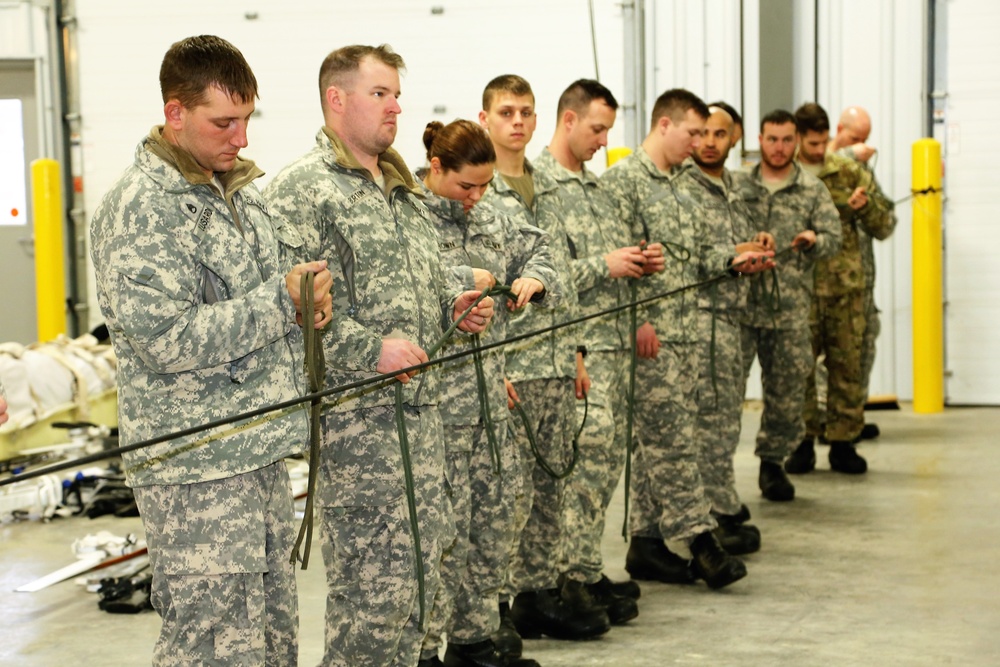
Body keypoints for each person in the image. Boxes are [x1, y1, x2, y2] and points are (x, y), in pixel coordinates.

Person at [89, 35, 333, 666]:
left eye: (247, 120)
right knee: (212, 643)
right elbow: (167, 339)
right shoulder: (141, 210)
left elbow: (276, 284)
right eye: (223, 122)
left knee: (272, 634)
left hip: (254, 450)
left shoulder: (239, 194)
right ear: (175, 113)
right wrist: (282, 303)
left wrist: (308, 303)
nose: (241, 138)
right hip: (193, 465)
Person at [263, 45, 495, 667]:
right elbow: (293, 319)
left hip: (424, 424)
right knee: (373, 607)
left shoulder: (399, 187)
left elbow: (424, 279)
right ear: (337, 99)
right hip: (361, 435)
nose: (396, 106)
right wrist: (371, 350)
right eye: (380, 94)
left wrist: (455, 305)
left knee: (421, 596)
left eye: (396, 93)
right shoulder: (301, 192)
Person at [602, 89, 765, 591]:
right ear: (665, 124)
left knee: (665, 439)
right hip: (650, 335)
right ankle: (701, 540)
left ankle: (647, 543)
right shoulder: (623, 183)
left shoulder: (683, 185)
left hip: (689, 332)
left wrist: (733, 258)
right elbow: (615, 258)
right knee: (672, 441)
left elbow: (697, 254)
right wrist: (637, 319)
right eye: (693, 132)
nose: (699, 143)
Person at [417, 118, 559, 667]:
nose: (476, 198)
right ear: (436, 169)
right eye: (466, 187)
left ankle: (475, 639)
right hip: (437, 409)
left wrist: (535, 279)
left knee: (493, 525)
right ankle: (427, 648)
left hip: (491, 406)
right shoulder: (407, 216)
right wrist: (458, 284)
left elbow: (545, 252)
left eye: (484, 185)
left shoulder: (497, 212)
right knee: (441, 536)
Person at [477, 74, 612, 651]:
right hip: (511, 366)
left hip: (557, 357)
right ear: (484, 119)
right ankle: (496, 603)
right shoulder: (476, 191)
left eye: (527, 112)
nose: (518, 122)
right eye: (506, 111)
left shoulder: (550, 185)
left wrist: (577, 349)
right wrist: (493, 367)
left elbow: (562, 278)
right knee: (505, 494)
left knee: (551, 485)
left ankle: (538, 592)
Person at [540, 79, 655, 624]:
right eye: (596, 128)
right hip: (574, 348)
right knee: (579, 467)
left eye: (608, 130)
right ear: (568, 119)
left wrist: (635, 261)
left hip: (611, 345)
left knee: (604, 464)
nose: (604, 141)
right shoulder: (537, 186)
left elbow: (611, 261)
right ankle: (565, 576)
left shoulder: (597, 188)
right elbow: (544, 276)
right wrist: (602, 266)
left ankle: (585, 566)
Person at [730, 109, 841, 495]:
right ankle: (718, 471)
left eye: (787, 140)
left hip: (790, 309)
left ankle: (772, 462)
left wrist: (815, 240)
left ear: (796, 141)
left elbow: (834, 238)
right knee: (727, 389)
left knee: (787, 390)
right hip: (741, 307)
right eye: (772, 139)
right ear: (759, 140)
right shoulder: (737, 185)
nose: (779, 148)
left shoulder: (812, 189)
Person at [789, 103, 895, 474]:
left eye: (822, 143)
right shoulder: (786, 176)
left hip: (846, 289)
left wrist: (863, 209)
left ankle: (843, 442)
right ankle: (801, 441)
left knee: (848, 367)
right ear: (799, 137)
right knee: (798, 370)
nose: (818, 151)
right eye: (811, 143)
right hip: (799, 288)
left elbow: (885, 224)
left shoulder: (851, 172)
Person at [688, 105, 775, 551]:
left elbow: (729, 242)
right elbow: (691, 252)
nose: (709, 141)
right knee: (707, 420)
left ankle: (720, 503)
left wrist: (754, 245)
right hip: (702, 317)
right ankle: (707, 514)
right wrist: (730, 256)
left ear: (734, 137)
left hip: (733, 316)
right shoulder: (684, 186)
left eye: (719, 134)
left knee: (725, 420)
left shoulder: (733, 188)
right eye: (702, 132)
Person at [826, 106, 897, 442]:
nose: (862, 145)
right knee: (825, 362)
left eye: (866, 139)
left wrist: (866, 205)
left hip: (861, 285)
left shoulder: (862, 169)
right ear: (839, 129)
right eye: (856, 138)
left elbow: (885, 223)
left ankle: (849, 420)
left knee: (861, 351)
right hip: (825, 286)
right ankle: (824, 424)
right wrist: (846, 155)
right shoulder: (820, 164)